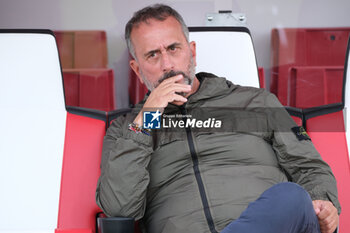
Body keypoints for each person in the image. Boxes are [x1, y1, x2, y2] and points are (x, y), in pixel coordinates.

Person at [96, 4, 340, 233]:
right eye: (152, 55)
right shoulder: (126, 131)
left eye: (173, 48)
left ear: (191, 52)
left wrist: (324, 203)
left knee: (291, 197)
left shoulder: (256, 103)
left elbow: (309, 167)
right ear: (137, 70)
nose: (167, 64)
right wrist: (148, 117)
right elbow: (120, 208)